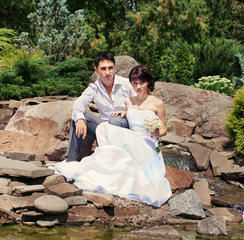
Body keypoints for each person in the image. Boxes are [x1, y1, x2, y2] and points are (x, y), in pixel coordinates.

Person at [55, 65, 172, 207]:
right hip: (131, 137)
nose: (138, 87)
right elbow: (130, 118)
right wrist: (124, 112)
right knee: (110, 143)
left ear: (148, 82)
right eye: (134, 83)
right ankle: (74, 161)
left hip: (147, 142)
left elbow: (165, 129)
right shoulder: (129, 101)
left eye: (142, 82)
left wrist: (158, 132)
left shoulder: (157, 103)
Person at [66, 52, 136, 162]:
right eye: (103, 69)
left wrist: (128, 112)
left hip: (123, 127)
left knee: (114, 120)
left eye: (110, 68)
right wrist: (80, 118)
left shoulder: (127, 84)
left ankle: (117, 155)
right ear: (96, 70)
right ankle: (71, 160)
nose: (108, 72)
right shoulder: (94, 88)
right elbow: (79, 103)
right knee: (79, 116)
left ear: (114, 68)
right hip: (104, 130)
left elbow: (140, 104)